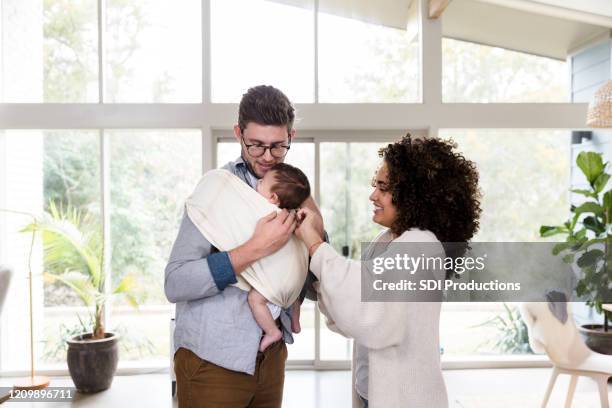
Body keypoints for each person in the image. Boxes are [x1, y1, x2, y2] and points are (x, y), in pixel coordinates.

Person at [295, 135, 482, 408]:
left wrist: (316, 245)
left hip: (405, 398)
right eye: (375, 185)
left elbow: (370, 315)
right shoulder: (386, 241)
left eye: (383, 188)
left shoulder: (421, 246)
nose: (373, 195)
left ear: (414, 195)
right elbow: (356, 303)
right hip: (370, 390)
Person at [165, 85, 323, 408]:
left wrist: (317, 236)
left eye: (279, 147)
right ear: (238, 133)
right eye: (256, 146)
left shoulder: (295, 190)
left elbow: (310, 280)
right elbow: (175, 281)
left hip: (271, 360)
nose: (267, 157)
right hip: (212, 362)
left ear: (291, 135)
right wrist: (253, 249)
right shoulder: (216, 190)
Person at [251, 163, 311, 350]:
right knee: (293, 297)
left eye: (262, 182)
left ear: (273, 198)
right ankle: (295, 319)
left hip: (274, 275)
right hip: (294, 277)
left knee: (255, 299)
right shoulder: (293, 216)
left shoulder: (266, 215)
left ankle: (272, 331)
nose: (258, 182)